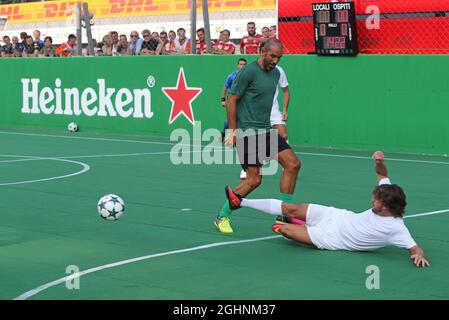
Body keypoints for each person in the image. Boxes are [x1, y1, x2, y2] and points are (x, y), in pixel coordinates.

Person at [224, 151, 430, 268]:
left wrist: (418, 255)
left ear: (387, 207)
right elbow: (381, 174)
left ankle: (295, 225)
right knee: (290, 208)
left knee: (281, 230)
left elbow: (415, 248)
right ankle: (240, 202)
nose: (372, 200)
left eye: (376, 200)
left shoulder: (397, 228)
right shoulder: (387, 192)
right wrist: (379, 162)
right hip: (335, 215)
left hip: (330, 239)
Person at [214, 39, 301, 233]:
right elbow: (231, 100)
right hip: (247, 133)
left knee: (293, 164)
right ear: (262, 52)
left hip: (266, 130)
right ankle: (222, 216)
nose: (276, 61)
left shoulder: (276, 74)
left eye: (279, 57)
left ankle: (284, 214)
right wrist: (233, 131)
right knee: (253, 180)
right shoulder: (248, 72)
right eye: (273, 56)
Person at [221, 58, 248, 179]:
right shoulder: (232, 76)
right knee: (229, 121)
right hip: (231, 102)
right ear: (237, 65)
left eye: (244, 64)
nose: (242, 66)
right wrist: (223, 99)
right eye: (240, 64)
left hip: (242, 103)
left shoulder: (248, 76)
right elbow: (225, 87)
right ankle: (224, 135)